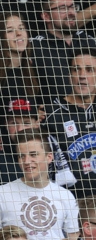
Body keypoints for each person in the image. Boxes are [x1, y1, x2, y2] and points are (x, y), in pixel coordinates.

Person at [0, 131, 79, 240]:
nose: (26, 161)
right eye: (21, 156)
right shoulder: (1, 193)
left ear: (49, 157)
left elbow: (74, 239)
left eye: (33, 155)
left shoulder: (65, 195)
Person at [44, 50, 96, 195]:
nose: (82, 76)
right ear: (69, 76)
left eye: (89, 70)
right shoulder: (50, 114)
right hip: (70, 202)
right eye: (76, 69)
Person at [31, 0, 96, 101]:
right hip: (55, 116)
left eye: (72, 7)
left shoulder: (90, 42)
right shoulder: (34, 47)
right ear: (46, 16)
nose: (71, 12)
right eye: (62, 8)